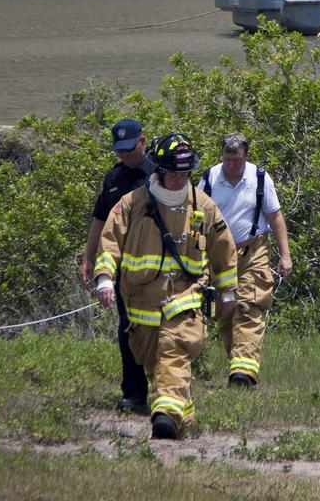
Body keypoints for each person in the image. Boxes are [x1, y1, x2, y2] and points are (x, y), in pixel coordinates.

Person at [94, 131, 238, 440]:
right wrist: (105, 279)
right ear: (158, 170)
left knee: (174, 352)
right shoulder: (132, 204)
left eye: (184, 173)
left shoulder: (204, 206)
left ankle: (165, 418)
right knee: (154, 364)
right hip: (141, 306)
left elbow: (224, 251)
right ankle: (178, 412)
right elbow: (109, 242)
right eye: (173, 173)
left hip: (185, 301)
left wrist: (228, 293)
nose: (178, 179)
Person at [200, 132, 293, 387]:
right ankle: (238, 364)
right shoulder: (209, 179)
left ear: (245, 157)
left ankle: (243, 375)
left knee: (249, 306)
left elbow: (275, 217)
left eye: (237, 161)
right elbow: (196, 221)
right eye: (228, 160)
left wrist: (285, 255)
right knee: (226, 312)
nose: (232, 166)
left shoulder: (260, 178)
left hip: (253, 251)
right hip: (217, 255)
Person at [80, 118, 153, 414]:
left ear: (142, 142)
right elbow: (100, 222)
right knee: (128, 330)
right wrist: (89, 259)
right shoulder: (113, 179)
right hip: (124, 271)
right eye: (119, 150)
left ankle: (168, 392)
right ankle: (134, 394)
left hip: (157, 270)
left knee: (163, 332)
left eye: (129, 149)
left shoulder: (160, 176)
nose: (124, 156)